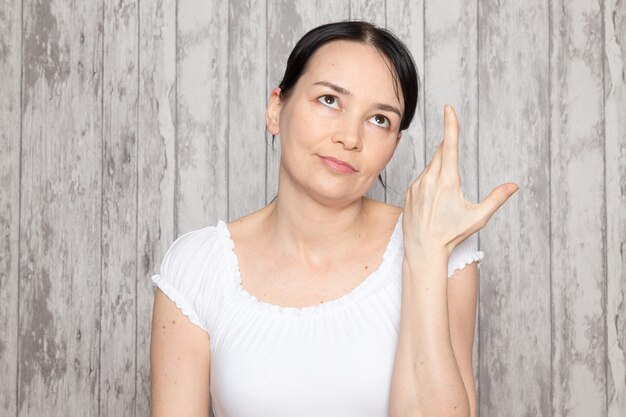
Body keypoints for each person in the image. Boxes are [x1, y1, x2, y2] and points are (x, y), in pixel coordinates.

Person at [150, 20, 518, 417]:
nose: (350, 137)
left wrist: (426, 255)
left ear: (394, 146)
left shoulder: (442, 249)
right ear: (276, 109)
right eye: (329, 100)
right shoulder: (197, 267)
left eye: (380, 119)